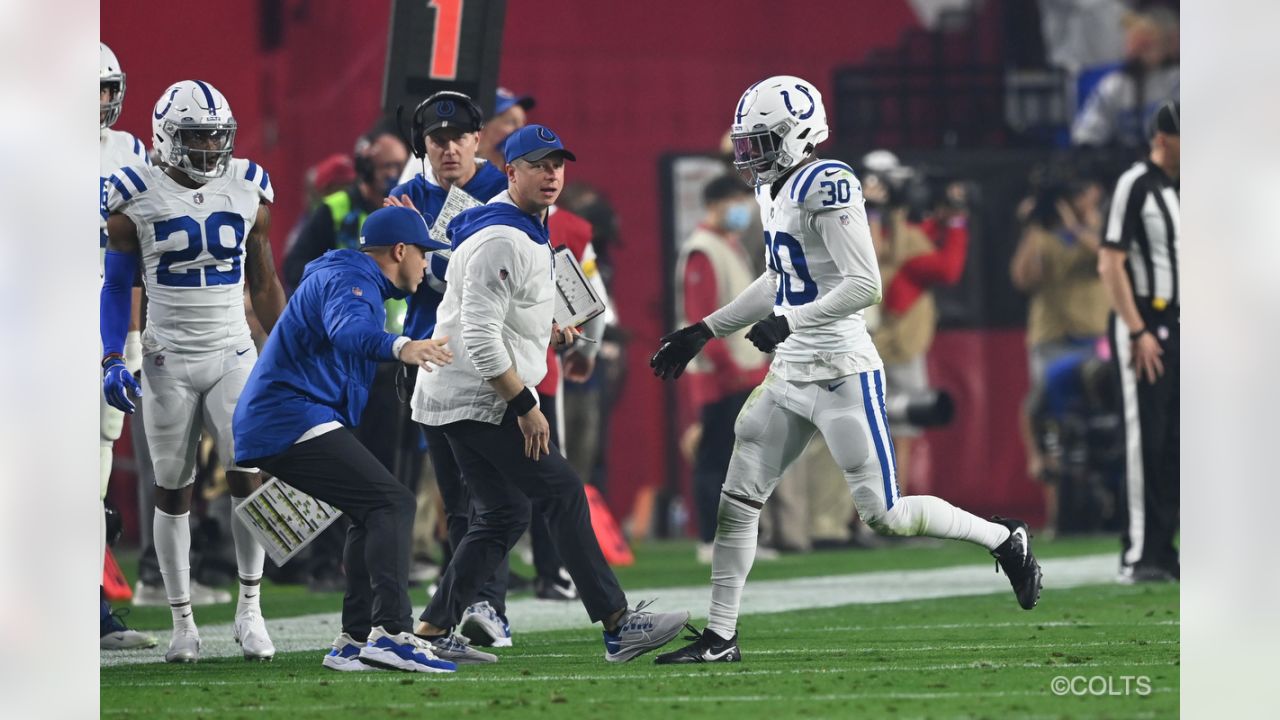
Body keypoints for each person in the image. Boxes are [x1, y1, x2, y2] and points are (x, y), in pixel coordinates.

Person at [650, 76, 1042, 664]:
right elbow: (779, 278)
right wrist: (706, 329)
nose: (747, 154)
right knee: (738, 501)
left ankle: (1003, 539)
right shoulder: (772, 190)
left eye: (760, 141)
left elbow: (865, 284)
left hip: (841, 371)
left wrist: (791, 321)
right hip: (788, 373)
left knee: (883, 515)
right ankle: (720, 636)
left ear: (797, 134)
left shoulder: (828, 182)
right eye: (745, 141)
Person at [409, 124, 691, 664]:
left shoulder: (520, 225)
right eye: (538, 164)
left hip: (460, 391)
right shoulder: (503, 237)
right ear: (509, 171)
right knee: (561, 491)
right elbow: (479, 335)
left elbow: (498, 317)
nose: (552, 174)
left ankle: (430, 631)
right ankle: (618, 624)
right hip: (480, 396)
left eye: (558, 164)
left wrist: (545, 332)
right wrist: (524, 405)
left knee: (501, 516)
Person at [100, 80, 287, 663]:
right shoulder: (133, 194)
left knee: (247, 475)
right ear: (164, 137)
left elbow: (263, 280)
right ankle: (183, 622)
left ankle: (250, 609)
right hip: (166, 358)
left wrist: (285, 350)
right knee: (172, 489)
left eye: (216, 134)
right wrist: (110, 355)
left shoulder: (248, 187)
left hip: (233, 349)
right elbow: (115, 287)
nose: (209, 146)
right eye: (195, 135)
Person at [233, 206, 458, 673]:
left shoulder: (346, 274)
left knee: (368, 508)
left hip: (287, 416)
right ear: (400, 251)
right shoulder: (351, 277)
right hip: (288, 417)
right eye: (422, 254)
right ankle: (393, 633)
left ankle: (354, 640)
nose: (425, 264)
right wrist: (403, 348)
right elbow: (350, 331)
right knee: (392, 503)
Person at [1097, 100, 1180, 583]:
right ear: (1164, 139)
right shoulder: (1136, 183)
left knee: (1175, 442)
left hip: (1182, 323)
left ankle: (1164, 550)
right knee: (1144, 439)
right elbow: (1110, 262)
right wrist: (1137, 329)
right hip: (1145, 320)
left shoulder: (1180, 190)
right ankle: (1140, 554)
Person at [674, 175, 770, 562]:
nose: (742, 209)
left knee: (740, 459)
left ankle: (737, 538)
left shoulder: (727, 246)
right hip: (721, 375)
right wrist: (728, 368)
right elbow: (701, 317)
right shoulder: (703, 249)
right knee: (715, 456)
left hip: (743, 370)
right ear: (713, 205)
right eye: (734, 200)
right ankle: (710, 540)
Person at [97, 41, 156, 651]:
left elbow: (133, 257)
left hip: (111, 329)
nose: (101, 102)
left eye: (105, 88)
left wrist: (132, 336)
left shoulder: (131, 152)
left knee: (96, 473)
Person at [1010, 174, 1111, 534]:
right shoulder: (1044, 234)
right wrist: (1033, 228)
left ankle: (1111, 509)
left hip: (1096, 333)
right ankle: (1060, 516)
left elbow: (1107, 259)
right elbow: (1023, 279)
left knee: (1105, 420)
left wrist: (1075, 226)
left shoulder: (1105, 225)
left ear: (1094, 193)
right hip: (1052, 336)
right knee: (1051, 422)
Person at [284, 129, 409, 291]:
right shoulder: (334, 209)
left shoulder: (407, 208)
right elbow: (294, 267)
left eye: (402, 166)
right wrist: (336, 280)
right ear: (367, 168)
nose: (398, 174)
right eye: (390, 166)